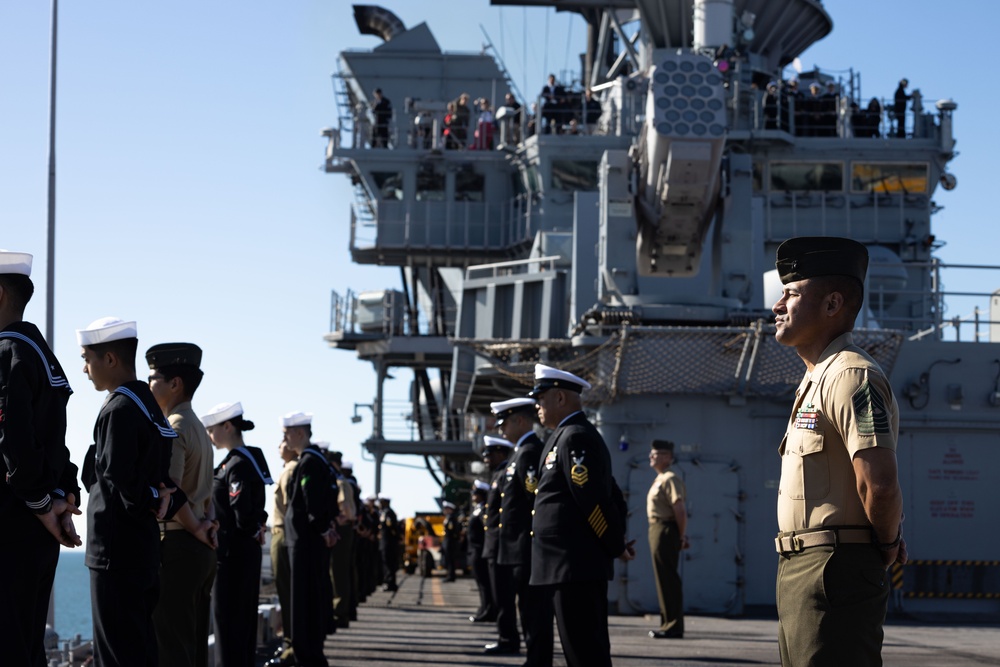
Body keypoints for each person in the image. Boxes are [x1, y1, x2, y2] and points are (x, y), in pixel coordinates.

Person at [771, 237, 907, 667]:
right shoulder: (817, 378)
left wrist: (887, 544)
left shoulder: (851, 375)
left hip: (834, 570)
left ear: (832, 304)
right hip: (804, 569)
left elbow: (880, 485)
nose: (777, 305)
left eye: (791, 294)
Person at [78, 317, 189, 667]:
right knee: (140, 650)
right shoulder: (148, 406)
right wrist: (159, 499)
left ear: (110, 359)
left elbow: (112, 478)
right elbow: (161, 482)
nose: (84, 369)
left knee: (115, 655)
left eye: (88, 358)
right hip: (142, 549)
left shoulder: (120, 408)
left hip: (114, 552)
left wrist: (153, 498)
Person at [0, 250, 82, 667]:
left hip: (14, 519)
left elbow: (14, 441)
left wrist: (40, 503)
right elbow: (56, 442)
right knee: (29, 645)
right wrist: (63, 496)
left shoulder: (7, 352)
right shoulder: (41, 353)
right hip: (39, 525)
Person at [528, 364, 635, 667]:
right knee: (580, 650)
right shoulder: (563, 436)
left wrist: (615, 545)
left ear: (560, 398)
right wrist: (617, 543)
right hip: (565, 565)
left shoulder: (575, 437)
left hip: (575, 565)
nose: (537, 406)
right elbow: (610, 491)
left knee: (585, 653)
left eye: (541, 399)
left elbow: (595, 502)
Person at [147, 342, 218, 667]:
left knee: (171, 647)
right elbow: (207, 492)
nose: (149, 386)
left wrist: (198, 529)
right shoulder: (200, 429)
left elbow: (171, 493)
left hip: (178, 543)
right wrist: (207, 526)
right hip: (199, 549)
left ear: (174, 383)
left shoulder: (174, 427)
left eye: (153, 378)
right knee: (193, 646)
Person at [202, 401, 272, 667]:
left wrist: (253, 527)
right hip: (245, 552)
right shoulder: (250, 458)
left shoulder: (237, 464)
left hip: (231, 555)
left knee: (228, 625)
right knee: (241, 625)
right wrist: (258, 526)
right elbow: (257, 507)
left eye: (212, 429)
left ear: (227, 426)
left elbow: (241, 507)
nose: (210, 435)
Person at [491, 397, 554, 667]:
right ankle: (534, 658)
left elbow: (534, 499)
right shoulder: (520, 452)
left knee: (534, 609)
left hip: (525, 547)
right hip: (516, 546)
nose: (500, 429)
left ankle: (538, 660)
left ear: (520, 420)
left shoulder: (528, 451)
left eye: (504, 423)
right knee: (526, 607)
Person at [282, 412, 339, 667]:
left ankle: (306, 656)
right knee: (312, 599)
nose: (284, 438)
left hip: (304, 542)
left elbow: (311, 501)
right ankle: (311, 653)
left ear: (300, 433)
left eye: (287, 433)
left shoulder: (308, 463)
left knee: (303, 603)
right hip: (310, 540)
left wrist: (323, 528)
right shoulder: (317, 460)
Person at [646, 439, 688, 639]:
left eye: (654, 454)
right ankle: (668, 623)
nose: (650, 457)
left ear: (666, 457)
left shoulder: (670, 478)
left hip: (665, 529)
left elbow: (679, 509)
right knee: (663, 579)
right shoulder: (661, 478)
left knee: (668, 579)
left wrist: (680, 536)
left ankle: (673, 626)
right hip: (658, 528)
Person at [480, 434, 517, 655]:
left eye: (490, 454)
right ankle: (505, 637)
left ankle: (508, 640)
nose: (486, 459)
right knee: (499, 596)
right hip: (494, 544)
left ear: (501, 454)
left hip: (502, 545)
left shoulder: (505, 473)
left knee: (504, 597)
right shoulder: (497, 475)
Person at [267, 435, 299, 666]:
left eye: (282, 441)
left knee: (287, 591)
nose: (279, 446)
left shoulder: (290, 470)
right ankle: (291, 642)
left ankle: (291, 644)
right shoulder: (289, 469)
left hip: (283, 534)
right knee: (288, 591)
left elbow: (289, 509)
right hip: (283, 533)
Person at [466, 480, 495, 623]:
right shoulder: (477, 509)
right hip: (474, 550)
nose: (473, 495)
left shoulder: (483, 510)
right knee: (480, 583)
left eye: (475, 493)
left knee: (485, 583)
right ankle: (484, 607)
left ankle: (488, 610)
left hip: (480, 550)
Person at [378, 494, 401, 591]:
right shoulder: (387, 512)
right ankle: (390, 582)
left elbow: (391, 528)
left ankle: (390, 583)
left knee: (388, 562)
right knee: (388, 562)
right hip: (387, 542)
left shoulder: (388, 513)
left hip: (388, 542)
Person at [441, 500, 461, 582]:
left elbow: (452, 530)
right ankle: (450, 575)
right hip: (448, 541)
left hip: (450, 541)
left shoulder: (451, 518)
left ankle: (451, 576)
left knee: (450, 560)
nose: (445, 510)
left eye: (446, 509)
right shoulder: (449, 517)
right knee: (449, 560)